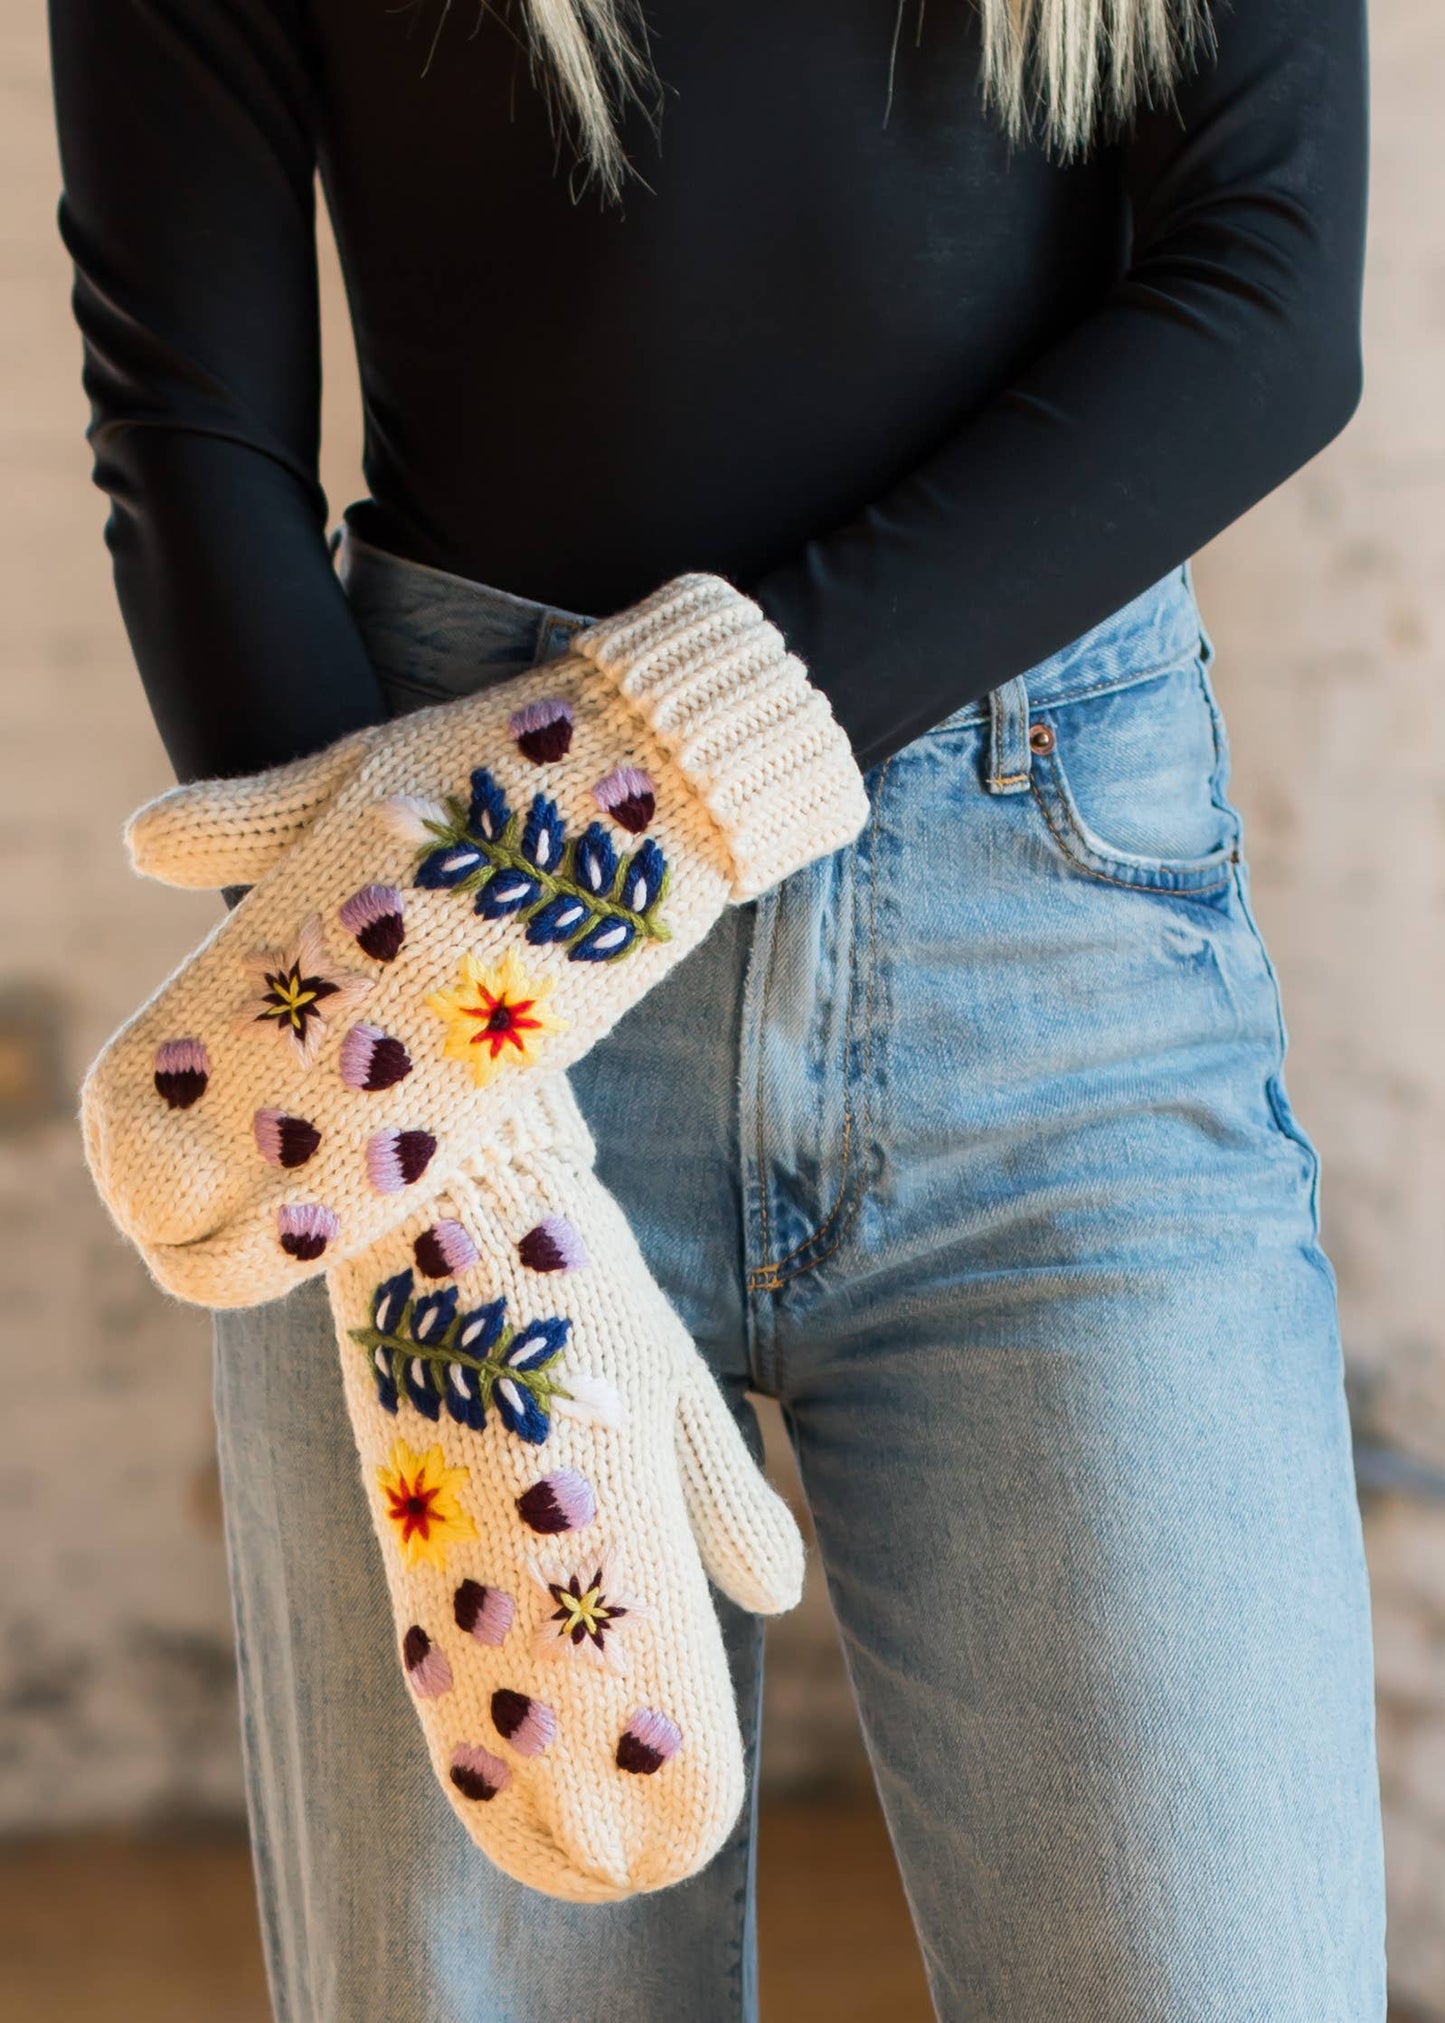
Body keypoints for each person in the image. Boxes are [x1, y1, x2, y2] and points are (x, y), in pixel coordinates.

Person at [49, 0, 1384, 2016]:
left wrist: (638, 791)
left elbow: (1268, 290)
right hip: (434, 927)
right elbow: (188, 421)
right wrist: (435, 1115)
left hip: (1037, 976)